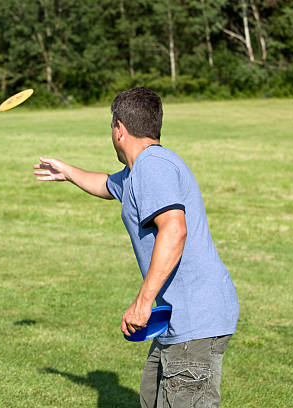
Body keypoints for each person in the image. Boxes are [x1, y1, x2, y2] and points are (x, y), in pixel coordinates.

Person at [33, 87, 239, 408]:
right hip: (178, 320)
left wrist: (143, 302)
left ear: (119, 129)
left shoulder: (152, 166)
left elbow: (174, 229)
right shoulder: (136, 173)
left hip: (195, 320)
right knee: (151, 397)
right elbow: (105, 184)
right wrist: (68, 172)